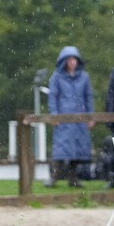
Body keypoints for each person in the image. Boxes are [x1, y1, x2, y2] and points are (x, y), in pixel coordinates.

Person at [47, 45, 93, 188]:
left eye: (74, 60)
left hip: (80, 118)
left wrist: (90, 116)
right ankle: (54, 178)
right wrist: (54, 114)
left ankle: (73, 178)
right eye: (69, 60)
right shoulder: (57, 77)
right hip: (63, 119)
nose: (72, 62)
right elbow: (53, 96)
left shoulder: (84, 77)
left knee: (77, 150)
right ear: (64, 61)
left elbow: (89, 97)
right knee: (60, 150)